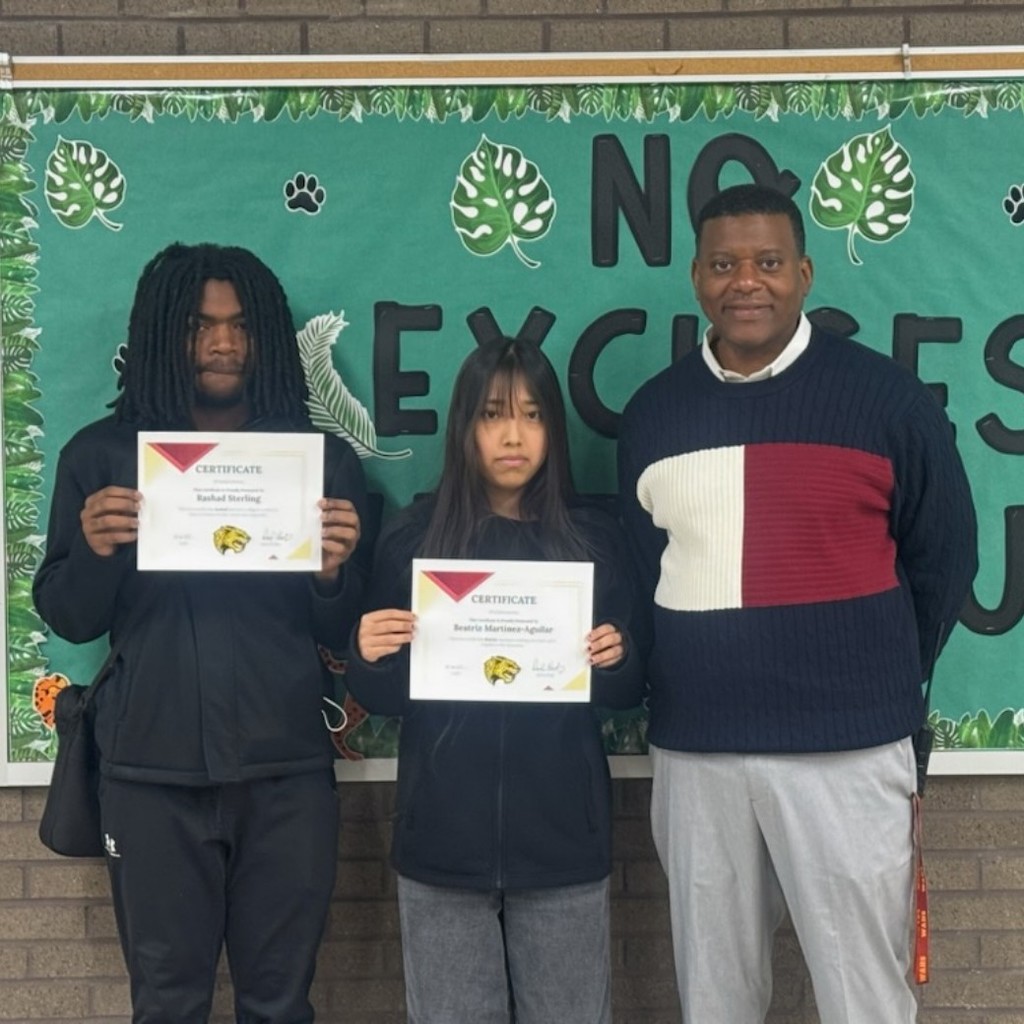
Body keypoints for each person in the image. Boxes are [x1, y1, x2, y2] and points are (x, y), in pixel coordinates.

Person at [617, 184, 977, 1023]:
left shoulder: (887, 401)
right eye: (725, 264)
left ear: (806, 273)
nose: (748, 281)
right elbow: (642, 575)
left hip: (849, 751)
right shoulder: (653, 414)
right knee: (717, 997)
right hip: (698, 751)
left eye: (769, 262)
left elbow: (945, 558)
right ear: (696, 278)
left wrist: (874, 675)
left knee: (865, 998)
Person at [33, 242, 369, 1023]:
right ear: (161, 334)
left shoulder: (318, 463)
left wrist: (331, 573)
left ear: (268, 339)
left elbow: (347, 632)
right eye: (201, 325)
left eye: (243, 325)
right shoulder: (101, 456)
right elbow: (70, 617)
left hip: (284, 772)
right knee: (167, 1005)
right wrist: (95, 550)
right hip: (149, 774)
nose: (224, 342)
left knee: (281, 1006)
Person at [345, 336, 644, 1024]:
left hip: (564, 844)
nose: (514, 435)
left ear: (554, 431)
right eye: (492, 414)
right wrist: (367, 653)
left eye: (534, 415)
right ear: (464, 427)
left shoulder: (594, 542)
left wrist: (618, 656)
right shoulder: (414, 539)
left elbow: (628, 691)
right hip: (440, 847)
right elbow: (385, 698)